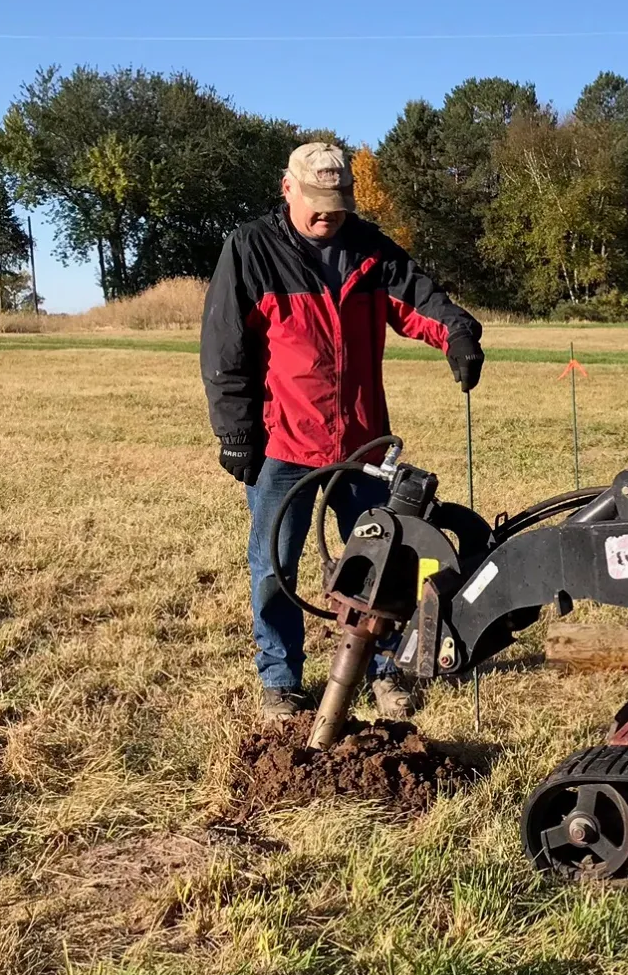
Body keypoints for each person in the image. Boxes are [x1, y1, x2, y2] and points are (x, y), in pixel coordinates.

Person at [201, 142, 485, 720]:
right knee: (274, 568)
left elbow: (422, 301)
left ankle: (383, 669)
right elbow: (225, 347)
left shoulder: (368, 248)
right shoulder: (252, 249)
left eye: (338, 202)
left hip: (364, 445)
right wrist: (235, 433)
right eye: (317, 202)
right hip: (283, 443)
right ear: (288, 189)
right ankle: (281, 681)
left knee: (382, 563)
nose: (329, 214)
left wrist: (457, 334)